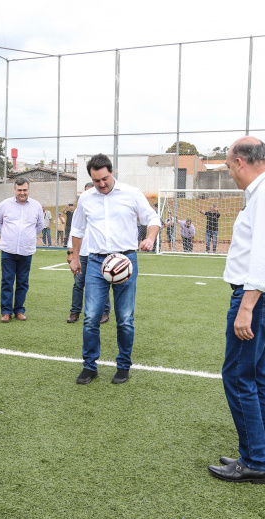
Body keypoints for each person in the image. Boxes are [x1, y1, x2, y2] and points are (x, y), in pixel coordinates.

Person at [206, 137, 265, 485]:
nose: (230, 173)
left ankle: (256, 461)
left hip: (259, 296)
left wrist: (247, 306)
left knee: (239, 377)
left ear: (241, 162)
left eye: (229, 166)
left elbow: (263, 253)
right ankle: (260, 454)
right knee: (258, 378)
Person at [68, 154, 160, 385]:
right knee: (90, 318)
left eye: (105, 178)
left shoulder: (131, 193)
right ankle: (90, 367)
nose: (101, 184)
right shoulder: (86, 198)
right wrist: (75, 257)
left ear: (112, 172)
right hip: (97, 262)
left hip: (125, 261)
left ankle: (123, 366)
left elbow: (152, 218)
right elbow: (77, 229)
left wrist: (150, 238)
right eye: (96, 180)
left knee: (125, 319)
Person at [0, 178, 44, 322]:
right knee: (7, 281)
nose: (22, 193)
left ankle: (19, 310)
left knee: (23, 282)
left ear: (29, 190)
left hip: (26, 251)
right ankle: (6, 312)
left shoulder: (36, 206)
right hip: (8, 250)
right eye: (19, 190)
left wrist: (28, 237)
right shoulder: (5, 205)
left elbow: (39, 225)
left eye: (25, 190)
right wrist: (8, 236)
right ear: (14, 190)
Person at [67, 182, 110, 325]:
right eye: (85, 192)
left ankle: (104, 312)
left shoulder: (102, 211)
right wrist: (71, 253)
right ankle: (75, 311)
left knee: (102, 282)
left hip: (98, 253)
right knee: (78, 284)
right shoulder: (81, 209)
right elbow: (74, 232)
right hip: (82, 253)